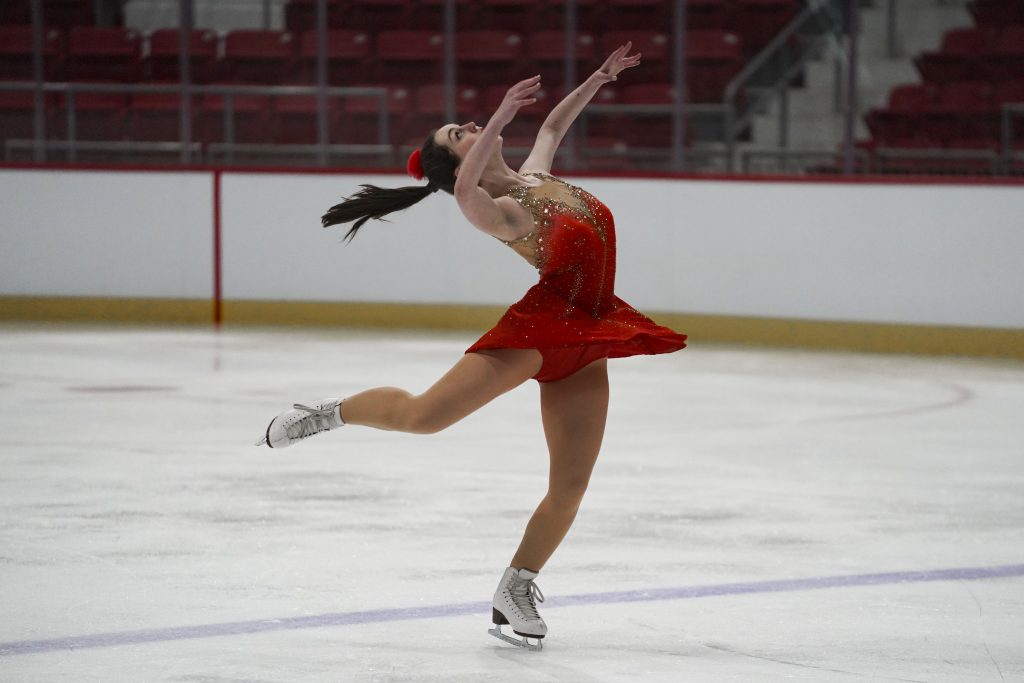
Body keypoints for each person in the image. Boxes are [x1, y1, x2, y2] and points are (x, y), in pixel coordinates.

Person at [256, 42, 687, 651]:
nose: (473, 125)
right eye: (460, 131)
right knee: (424, 417)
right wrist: (504, 115)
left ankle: (516, 588)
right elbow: (462, 190)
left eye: (469, 124)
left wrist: (599, 75)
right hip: (538, 333)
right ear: (458, 161)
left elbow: (557, 123)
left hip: (590, 336)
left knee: (571, 483)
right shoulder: (497, 210)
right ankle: (327, 414)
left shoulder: (537, 176)